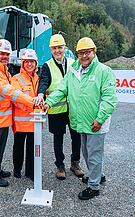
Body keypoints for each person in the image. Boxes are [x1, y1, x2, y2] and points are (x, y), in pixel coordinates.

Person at [43, 37, 118, 200]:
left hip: (96, 123)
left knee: (94, 154)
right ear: (77, 54)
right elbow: (62, 89)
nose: (84, 56)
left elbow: (109, 99)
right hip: (81, 122)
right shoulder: (74, 71)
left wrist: (100, 119)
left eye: (87, 52)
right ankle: (98, 175)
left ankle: (93, 187)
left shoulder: (103, 71)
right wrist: (48, 102)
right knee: (86, 152)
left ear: (94, 52)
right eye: (81, 53)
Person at [0, 39, 35, 187]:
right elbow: (10, 92)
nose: (5, 56)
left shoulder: (3, 71)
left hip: (2, 117)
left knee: (0, 147)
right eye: (2, 54)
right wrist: (31, 102)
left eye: (7, 54)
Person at [34, 34, 83, 180]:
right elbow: (44, 82)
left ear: (64, 48)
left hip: (73, 108)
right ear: (51, 50)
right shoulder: (47, 65)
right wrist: (41, 95)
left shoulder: (73, 62)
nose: (57, 51)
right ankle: (60, 165)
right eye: (54, 48)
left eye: (60, 47)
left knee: (76, 136)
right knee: (58, 138)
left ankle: (75, 163)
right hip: (55, 109)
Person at [11, 49, 40, 181]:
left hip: (35, 120)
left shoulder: (38, 78)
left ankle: (30, 172)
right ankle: (17, 169)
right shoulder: (16, 78)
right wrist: (33, 104)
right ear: (22, 63)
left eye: (32, 62)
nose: (29, 64)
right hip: (21, 120)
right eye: (26, 62)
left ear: (35, 63)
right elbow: (16, 98)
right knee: (18, 146)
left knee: (32, 148)